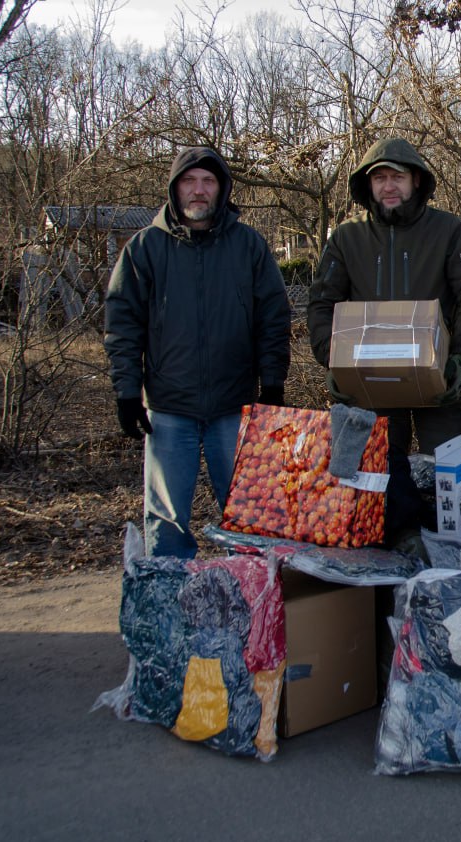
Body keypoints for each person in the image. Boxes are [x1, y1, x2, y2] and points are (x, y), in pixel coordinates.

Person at [104, 146, 292, 558]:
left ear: (221, 189)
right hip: (169, 409)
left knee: (248, 513)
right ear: (175, 189)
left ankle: (250, 601)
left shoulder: (248, 246)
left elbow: (273, 317)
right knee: (167, 519)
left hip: (234, 406)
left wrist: (272, 383)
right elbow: (123, 326)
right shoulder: (145, 248)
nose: (199, 190)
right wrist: (126, 392)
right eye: (189, 181)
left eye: (208, 181)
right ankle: (168, 600)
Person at [307, 137, 461, 543]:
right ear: (368, 186)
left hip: (437, 380)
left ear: (416, 182)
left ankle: (455, 556)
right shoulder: (347, 239)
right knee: (372, 481)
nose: (389, 186)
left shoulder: (447, 230)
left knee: (452, 474)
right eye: (380, 178)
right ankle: (386, 560)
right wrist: (332, 359)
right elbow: (322, 304)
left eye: (398, 177)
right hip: (369, 385)